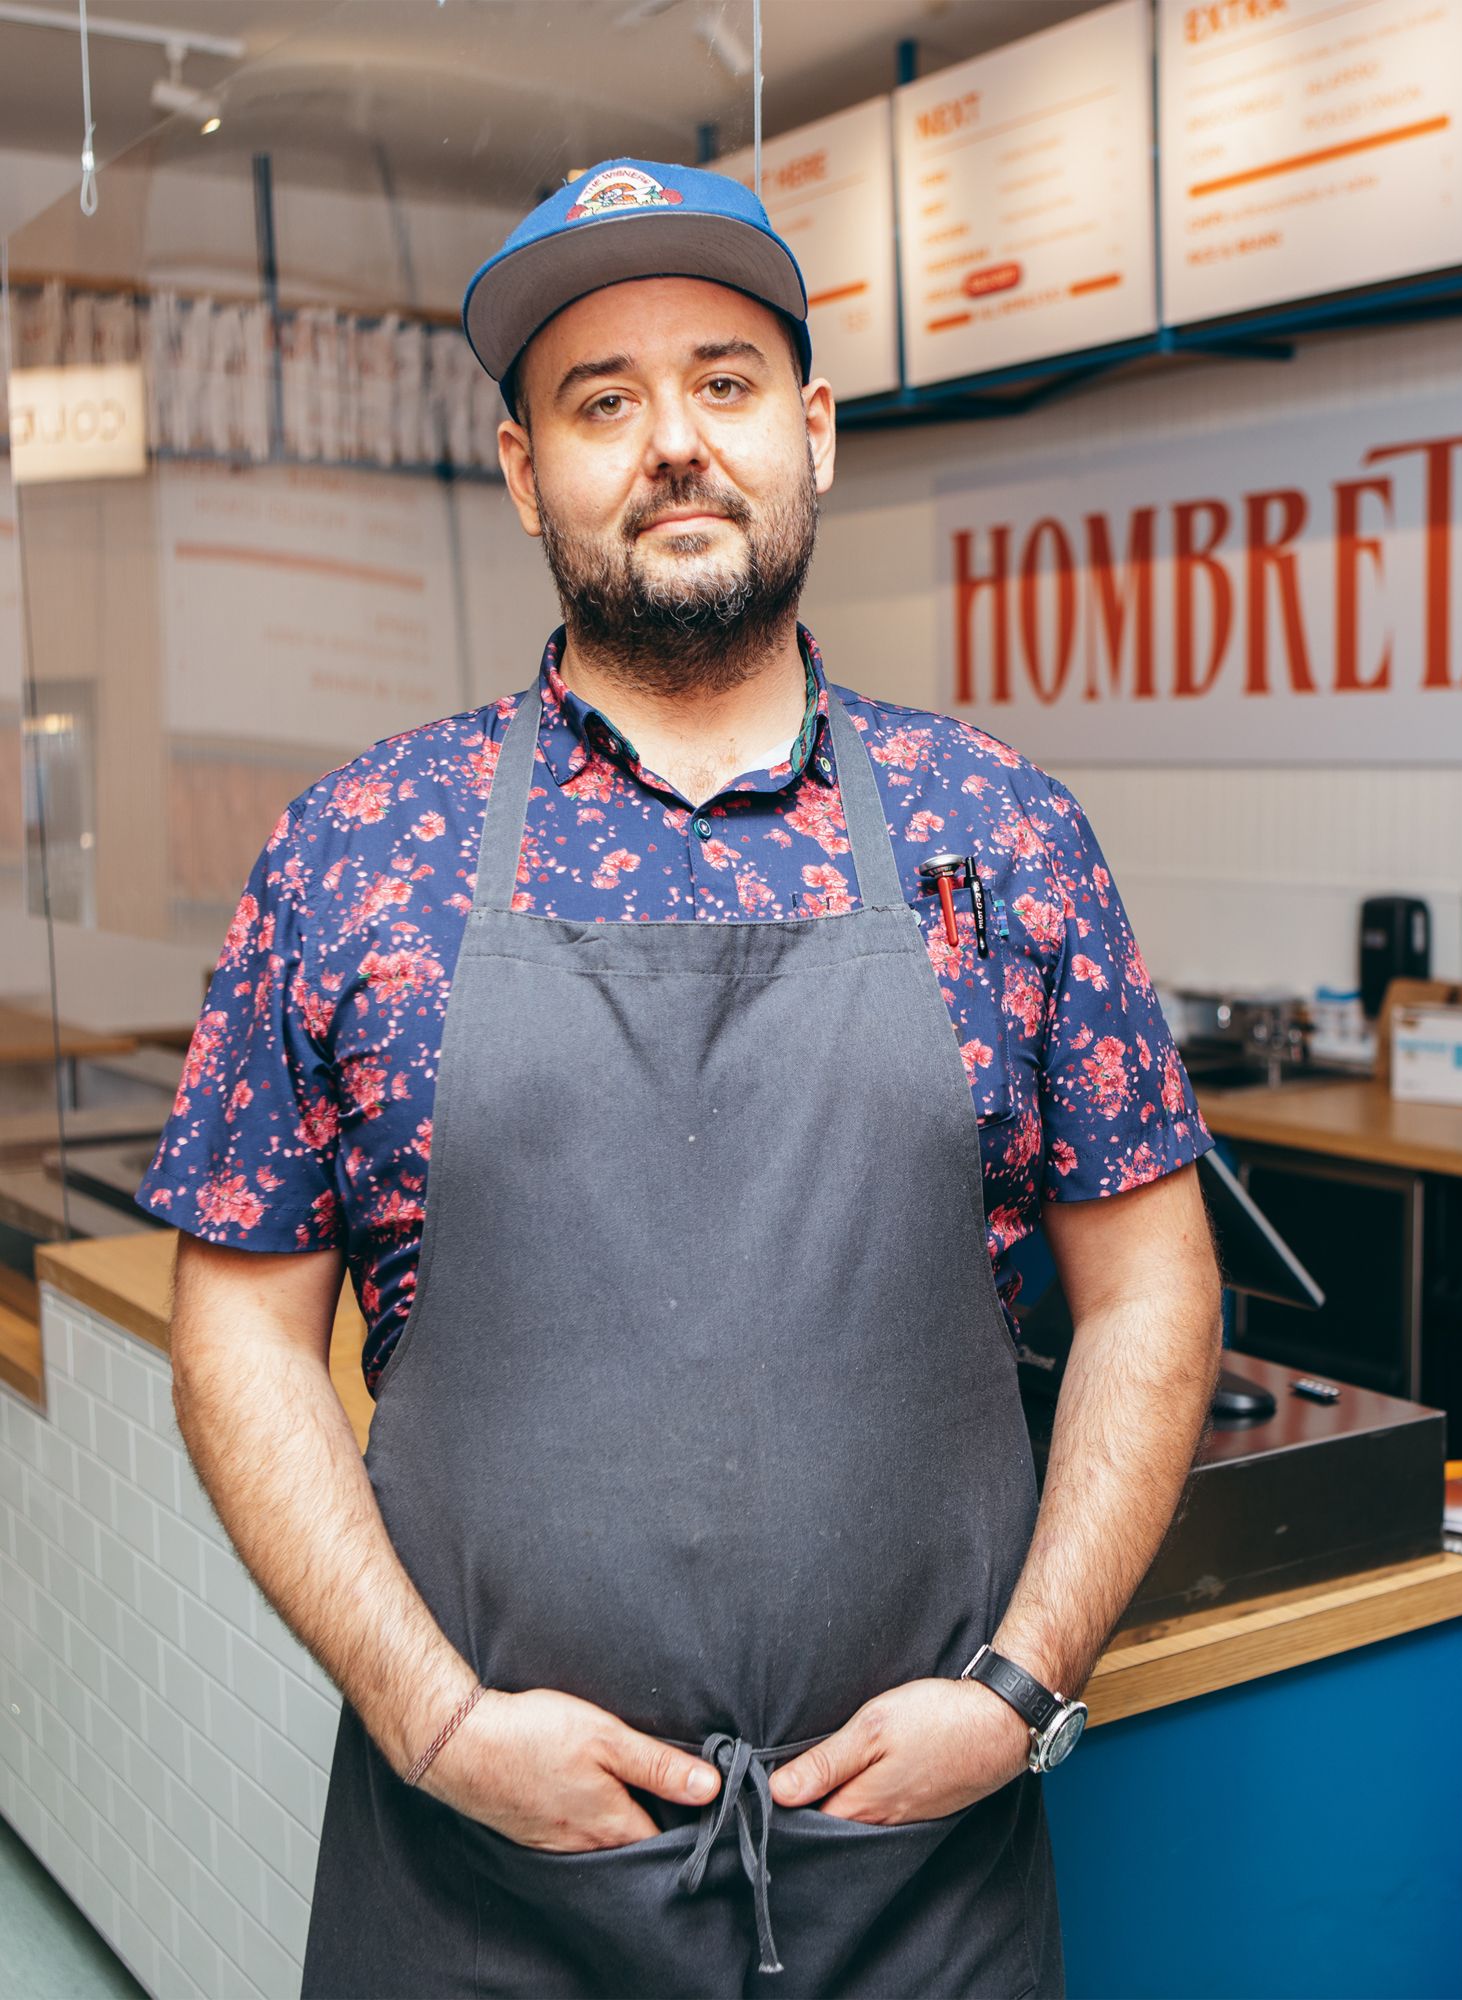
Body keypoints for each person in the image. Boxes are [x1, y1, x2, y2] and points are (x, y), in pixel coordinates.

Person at [139, 158, 1223, 1999]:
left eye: (724, 383)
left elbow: (1151, 1293)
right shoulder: (354, 853)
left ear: (812, 431)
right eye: (600, 400)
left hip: (922, 1882)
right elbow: (237, 1339)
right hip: (477, 1891)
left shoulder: (1007, 839)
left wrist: (1025, 1688)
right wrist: (431, 1721)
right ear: (520, 468)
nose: (672, 445)